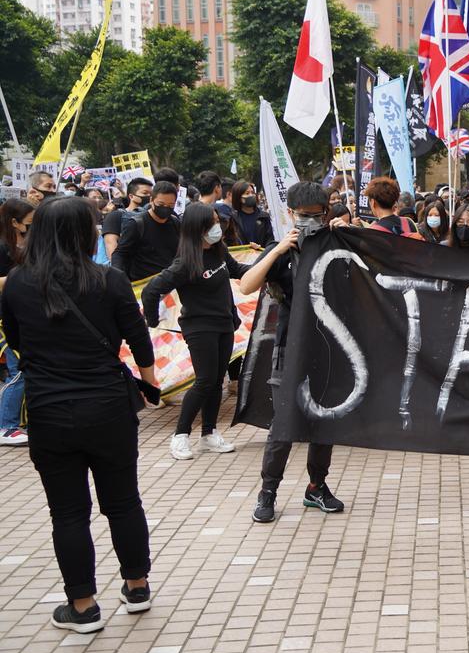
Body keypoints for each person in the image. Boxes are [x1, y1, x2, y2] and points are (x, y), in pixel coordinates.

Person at [2, 196, 158, 632]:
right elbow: (139, 340)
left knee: (68, 513)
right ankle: (137, 586)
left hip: (51, 412)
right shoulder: (110, 280)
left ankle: (83, 607)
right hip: (109, 407)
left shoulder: (17, 282)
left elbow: (15, 341)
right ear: (85, 233)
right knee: (124, 501)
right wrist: (150, 385)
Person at [240, 182, 348, 523]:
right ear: (290, 214)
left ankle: (317, 486)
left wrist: (351, 234)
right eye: (304, 217)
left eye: (317, 217)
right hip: (289, 347)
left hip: (329, 348)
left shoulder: (335, 244)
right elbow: (246, 284)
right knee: (283, 424)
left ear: (327, 213)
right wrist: (276, 251)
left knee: (325, 421)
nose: (311, 223)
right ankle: (267, 492)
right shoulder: (281, 251)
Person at [142, 203, 250, 460]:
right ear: (197, 228)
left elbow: (239, 271)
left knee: (216, 381)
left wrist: (269, 260)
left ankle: (209, 434)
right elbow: (151, 290)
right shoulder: (185, 263)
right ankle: (180, 436)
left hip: (225, 324)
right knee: (204, 381)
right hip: (199, 328)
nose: (218, 227)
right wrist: (153, 320)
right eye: (212, 222)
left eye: (217, 221)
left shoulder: (219, 250)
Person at [0, 199, 34, 445]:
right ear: (14, 222)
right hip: (4, 317)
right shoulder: (3, 247)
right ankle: (6, 426)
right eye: (29, 223)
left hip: (21, 312)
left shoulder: (22, 245)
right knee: (16, 371)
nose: (31, 228)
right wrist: (20, 277)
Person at [111, 181, 181, 281]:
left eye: (170, 205)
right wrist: (119, 280)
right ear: (151, 200)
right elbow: (120, 253)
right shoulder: (137, 224)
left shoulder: (175, 222)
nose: (165, 208)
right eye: (161, 204)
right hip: (143, 284)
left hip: (169, 283)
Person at [102, 177, 152, 257]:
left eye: (151, 194)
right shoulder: (116, 216)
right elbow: (111, 247)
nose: (149, 196)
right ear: (131, 196)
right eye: (145, 193)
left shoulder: (152, 216)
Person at [231, 181, 272, 247]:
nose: (251, 195)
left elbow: (270, 239)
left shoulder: (264, 217)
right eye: (247, 193)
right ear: (238, 197)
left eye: (252, 192)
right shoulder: (233, 219)